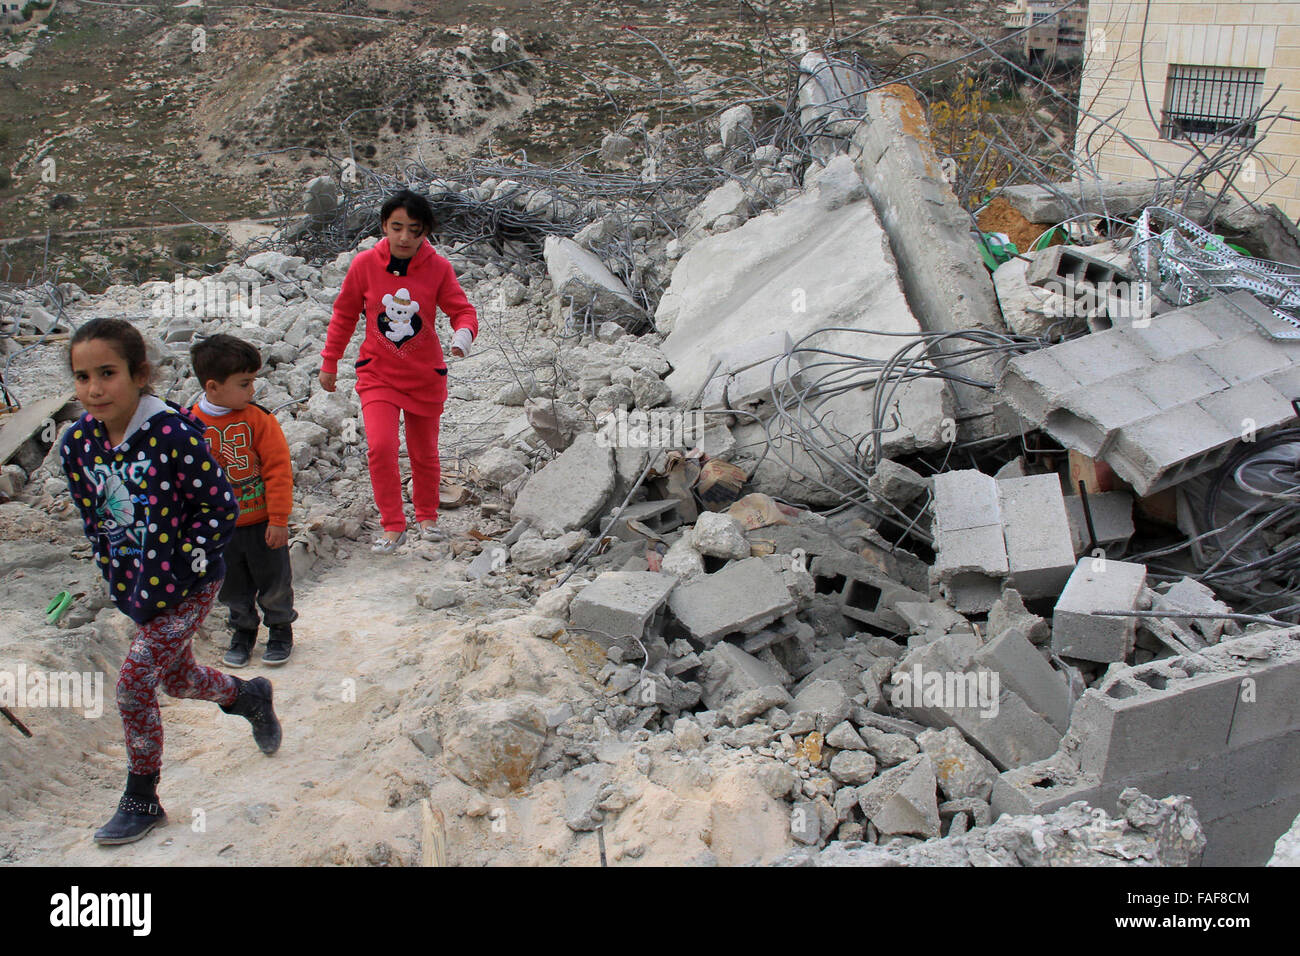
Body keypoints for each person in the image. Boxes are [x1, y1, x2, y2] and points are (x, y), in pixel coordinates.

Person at [61, 318, 282, 846]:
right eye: (82, 376)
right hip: (137, 586)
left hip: (189, 582)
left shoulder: (172, 434)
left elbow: (218, 505)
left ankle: (142, 797)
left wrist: (186, 563)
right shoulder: (77, 445)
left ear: (140, 374)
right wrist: (115, 569)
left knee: (134, 682)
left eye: (108, 373)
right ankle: (248, 697)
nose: (94, 389)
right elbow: (93, 516)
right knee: (177, 679)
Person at [319, 189, 478, 553]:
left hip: (425, 376)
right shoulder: (364, 265)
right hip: (378, 374)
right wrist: (330, 362)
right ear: (384, 227)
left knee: (424, 453)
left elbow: (461, 310)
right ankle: (393, 524)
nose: (405, 237)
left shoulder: (438, 268)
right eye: (397, 227)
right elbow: (344, 314)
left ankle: (427, 516)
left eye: (415, 230)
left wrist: (464, 334)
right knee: (380, 447)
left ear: (426, 233)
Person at [190, 333, 297, 667]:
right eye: (245, 383)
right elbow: (185, 481)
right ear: (213, 387)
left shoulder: (259, 420)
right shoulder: (189, 425)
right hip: (220, 530)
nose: (252, 391)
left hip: (263, 523)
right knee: (232, 587)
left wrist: (279, 520)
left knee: (274, 582)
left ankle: (280, 629)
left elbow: (278, 470)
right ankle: (243, 631)